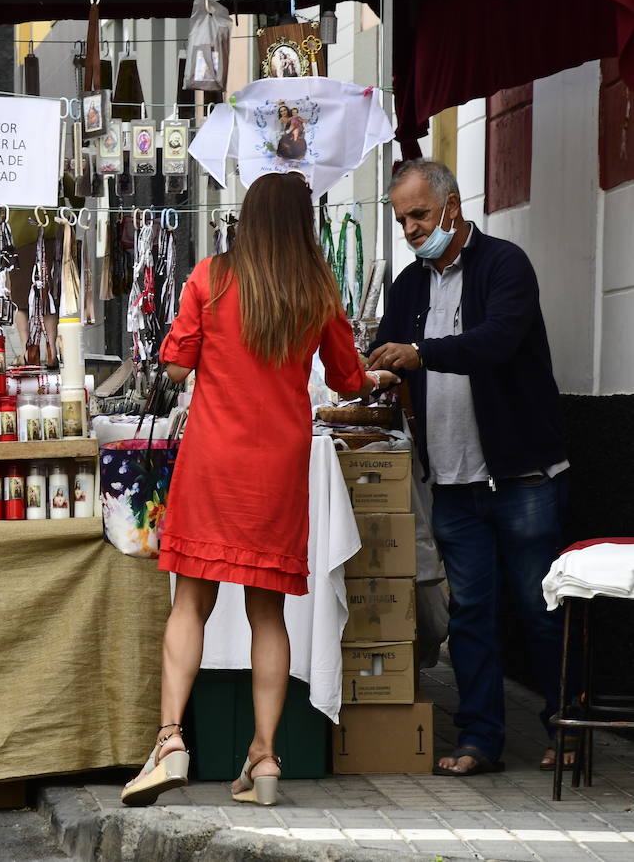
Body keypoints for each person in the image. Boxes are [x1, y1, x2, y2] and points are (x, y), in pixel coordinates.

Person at [121, 173, 398, 808]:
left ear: (246, 218)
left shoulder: (210, 278)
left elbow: (175, 365)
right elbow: (350, 379)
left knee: (190, 603)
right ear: (303, 224)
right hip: (279, 466)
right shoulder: (315, 288)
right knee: (267, 612)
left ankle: (169, 742)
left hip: (214, 463)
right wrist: (373, 374)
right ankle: (266, 756)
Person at [367, 159, 569, 777]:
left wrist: (419, 354)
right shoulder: (408, 287)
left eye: (419, 215)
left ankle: (567, 730)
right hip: (453, 482)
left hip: (523, 477)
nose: (410, 230)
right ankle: (481, 740)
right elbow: (390, 357)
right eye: (402, 220)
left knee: (541, 611)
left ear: (452, 208)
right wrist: (372, 378)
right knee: (471, 618)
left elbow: (497, 341)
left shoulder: (505, 265)